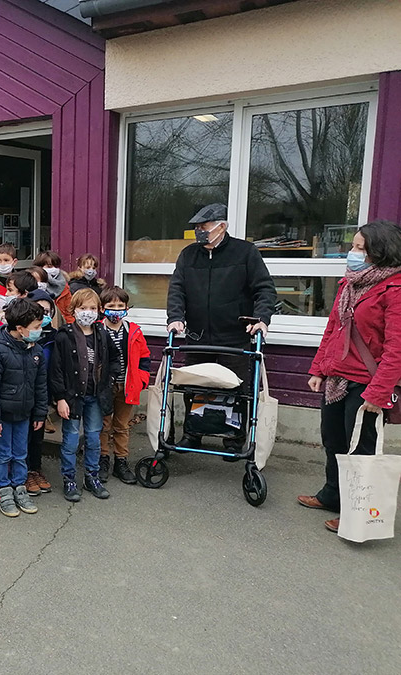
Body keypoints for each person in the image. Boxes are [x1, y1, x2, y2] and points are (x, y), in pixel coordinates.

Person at [299, 220, 401, 533]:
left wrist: (379, 392)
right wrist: (318, 368)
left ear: (379, 252)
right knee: (334, 440)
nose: (352, 253)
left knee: (362, 449)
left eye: (359, 248)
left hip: (368, 382)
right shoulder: (350, 283)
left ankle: (359, 511)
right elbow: (333, 329)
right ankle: (333, 494)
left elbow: (396, 348)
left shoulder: (394, 289)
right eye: (353, 246)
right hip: (337, 377)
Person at [166, 203, 276, 450]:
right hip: (197, 336)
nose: (199, 231)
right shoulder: (188, 255)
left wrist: (261, 319)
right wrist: (175, 317)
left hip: (233, 336)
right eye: (196, 227)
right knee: (194, 388)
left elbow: (264, 289)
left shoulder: (245, 252)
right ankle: (193, 433)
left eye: (203, 226)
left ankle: (234, 439)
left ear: (221, 226)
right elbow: (177, 289)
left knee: (236, 389)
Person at [50, 288, 118, 502]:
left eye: (91, 308)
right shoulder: (64, 336)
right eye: (82, 308)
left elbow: (115, 359)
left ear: (99, 311)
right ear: (73, 310)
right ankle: (69, 478)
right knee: (70, 440)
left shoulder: (102, 334)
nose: (87, 312)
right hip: (72, 397)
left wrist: (112, 379)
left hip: (96, 396)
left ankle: (92, 476)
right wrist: (60, 397)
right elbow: (56, 369)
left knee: (93, 438)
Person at [0, 298, 48, 517]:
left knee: (21, 453)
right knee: (3, 454)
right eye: (36, 327)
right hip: (2, 416)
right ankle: (4, 490)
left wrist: (40, 412)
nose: (39, 330)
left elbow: (40, 384)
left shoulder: (36, 350)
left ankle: (19, 488)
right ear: (20, 329)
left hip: (25, 414)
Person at [98, 286, 151, 485]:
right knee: (104, 425)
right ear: (103, 308)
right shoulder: (98, 330)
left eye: (120, 306)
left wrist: (142, 379)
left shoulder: (133, 331)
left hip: (127, 386)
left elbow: (144, 358)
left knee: (121, 425)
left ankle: (121, 461)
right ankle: (103, 459)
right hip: (104, 387)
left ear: (126, 308)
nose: (116, 310)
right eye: (111, 306)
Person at [24, 289, 57, 496]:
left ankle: (35, 469)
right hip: (22, 393)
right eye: (39, 310)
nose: (43, 314)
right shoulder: (25, 336)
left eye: (47, 311)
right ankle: (24, 471)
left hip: (42, 393)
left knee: (37, 435)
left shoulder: (55, 336)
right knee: (23, 436)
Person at [34, 250, 74, 323]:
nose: (54, 269)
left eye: (56, 266)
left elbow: (69, 313)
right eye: (49, 266)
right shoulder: (35, 285)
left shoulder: (64, 287)